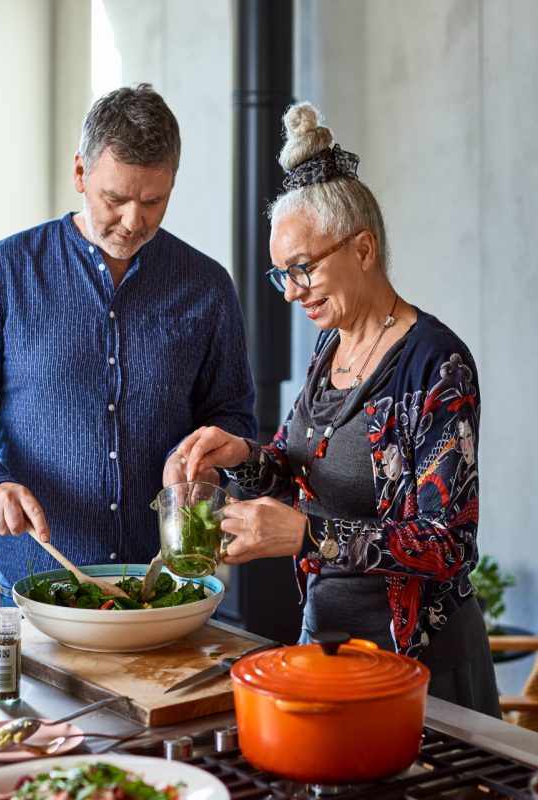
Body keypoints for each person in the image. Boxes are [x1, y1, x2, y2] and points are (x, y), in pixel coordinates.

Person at [174, 101, 501, 717]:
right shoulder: (329, 349)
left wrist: (304, 534)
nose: (292, 291)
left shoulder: (434, 363)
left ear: (364, 248)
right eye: (281, 275)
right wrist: (242, 456)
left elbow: (447, 544)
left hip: (419, 668)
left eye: (302, 268)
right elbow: (302, 465)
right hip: (326, 645)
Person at [0, 84, 256, 606]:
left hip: (168, 597)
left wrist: (210, 459)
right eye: (116, 199)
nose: (134, 221)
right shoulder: (5, 272)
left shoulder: (208, 287)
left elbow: (233, 418)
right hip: (33, 596)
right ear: (81, 173)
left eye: (154, 201)